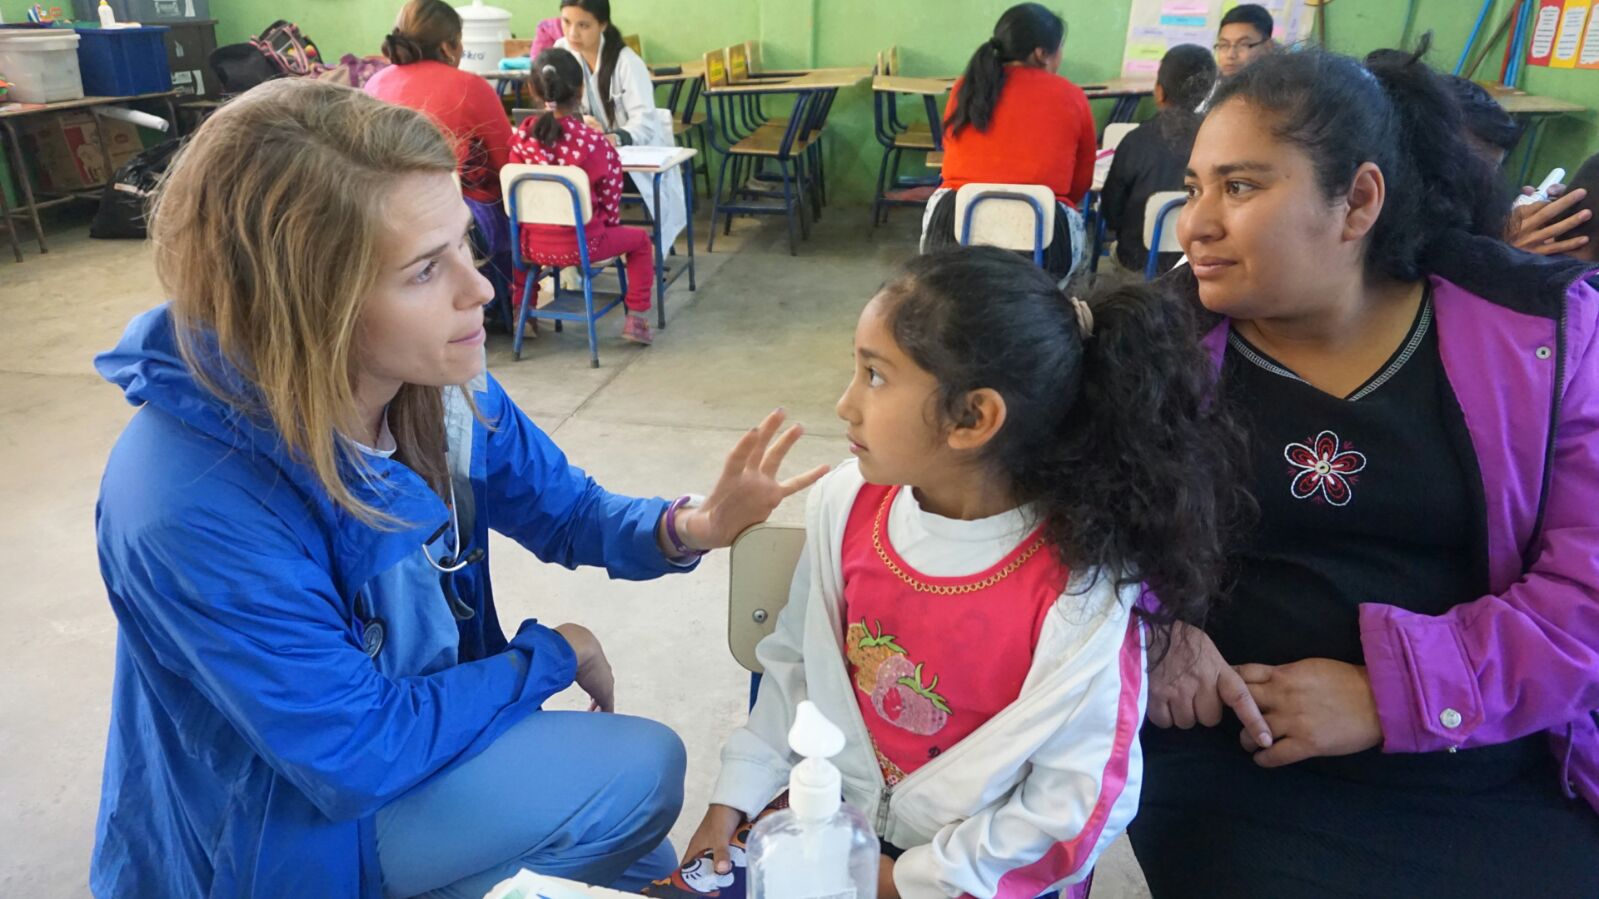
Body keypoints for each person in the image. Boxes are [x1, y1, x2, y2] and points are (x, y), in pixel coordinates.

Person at [88, 79, 829, 899]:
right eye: (421, 271)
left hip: (396, 750)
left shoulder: (438, 391)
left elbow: (569, 510)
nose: (479, 289)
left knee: (638, 855)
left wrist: (693, 524)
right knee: (638, 766)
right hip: (287, 830)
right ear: (307, 303)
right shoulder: (189, 498)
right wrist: (547, 657)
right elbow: (353, 751)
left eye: (465, 245)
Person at [1130, 44, 1599, 896]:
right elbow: (1072, 527)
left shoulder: (1541, 333)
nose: (1194, 222)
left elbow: (1585, 593)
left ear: (1358, 202)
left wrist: (1392, 696)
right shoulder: (1155, 343)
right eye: (1195, 186)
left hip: (1481, 745)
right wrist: (1148, 633)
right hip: (1227, 755)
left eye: (1238, 187)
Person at [676, 248, 1246, 898]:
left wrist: (904, 879)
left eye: (875, 376)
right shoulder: (845, 505)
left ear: (973, 417)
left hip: (976, 877)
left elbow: (1077, 806)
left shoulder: (1080, 584)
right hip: (836, 829)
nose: (845, 403)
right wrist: (736, 796)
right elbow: (796, 667)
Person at [922, 3, 1098, 281]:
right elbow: (1079, 185)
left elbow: (950, 159)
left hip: (951, 231)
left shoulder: (965, 87)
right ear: (1041, 53)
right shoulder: (1072, 95)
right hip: (1046, 238)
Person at [509, 49, 657, 344]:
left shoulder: (521, 140)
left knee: (521, 236)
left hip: (530, 247)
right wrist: (607, 225)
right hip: (587, 245)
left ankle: (521, 313)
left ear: (532, 90)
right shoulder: (592, 142)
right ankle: (636, 319)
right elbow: (611, 193)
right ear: (580, 90)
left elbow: (514, 198)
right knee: (640, 242)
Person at [365, 0, 510, 208]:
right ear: (446, 47)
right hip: (455, 213)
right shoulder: (470, 86)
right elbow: (507, 162)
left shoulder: (375, 82)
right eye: (459, 41)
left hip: (384, 212)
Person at [1101, 44, 1216, 276]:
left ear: (1159, 91)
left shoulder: (1135, 140)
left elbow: (1111, 213)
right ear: (1207, 92)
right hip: (1197, 263)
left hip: (1137, 263)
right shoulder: (1219, 139)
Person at [555, 0, 661, 148]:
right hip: (586, 152)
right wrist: (579, 122)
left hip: (632, 157)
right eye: (566, 22)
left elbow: (643, 124)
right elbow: (556, 107)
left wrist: (611, 139)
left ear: (603, 25)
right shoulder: (561, 51)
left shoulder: (627, 63)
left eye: (583, 25)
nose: (572, 33)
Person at [1212, 3, 1274, 78]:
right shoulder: (1211, 86)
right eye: (1224, 45)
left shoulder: (1283, 88)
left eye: (1243, 45)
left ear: (1268, 47)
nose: (1230, 55)